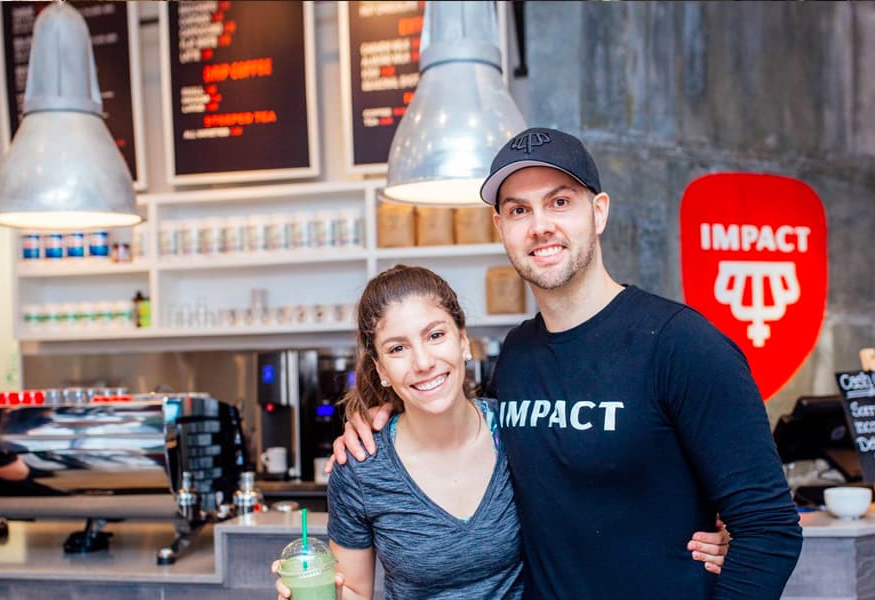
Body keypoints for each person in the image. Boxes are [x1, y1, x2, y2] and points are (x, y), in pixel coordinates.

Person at [331, 127, 802, 598]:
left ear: (598, 212)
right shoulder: (517, 355)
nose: (539, 226)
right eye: (519, 210)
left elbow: (770, 529)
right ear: (500, 228)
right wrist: (377, 419)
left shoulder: (684, 346)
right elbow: (452, 419)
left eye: (559, 202)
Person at [276, 265, 524, 598]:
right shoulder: (361, 466)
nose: (422, 362)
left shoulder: (518, 428)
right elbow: (354, 591)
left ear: (463, 341)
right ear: (381, 369)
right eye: (397, 348)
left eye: (435, 335)